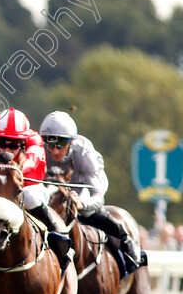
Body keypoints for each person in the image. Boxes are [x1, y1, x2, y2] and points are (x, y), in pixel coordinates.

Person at [0, 108, 71, 268]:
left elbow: (31, 162)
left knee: (30, 197)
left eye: (13, 145)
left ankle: (57, 238)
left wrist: (13, 168)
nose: (6, 149)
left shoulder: (34, 139)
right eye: (1, 142)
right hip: (1, 190)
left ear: (23, 142)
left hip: (30, 188)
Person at [39, 111, 142, 268]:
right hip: (55, 186)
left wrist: (82, 204)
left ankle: (126, 241)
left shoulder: (85, 154)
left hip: (85, 186)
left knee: (86, 212)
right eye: (50, 145)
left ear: (71, 142)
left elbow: (98, 198)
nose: (54, 151)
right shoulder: (40, 150)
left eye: (60, 145)